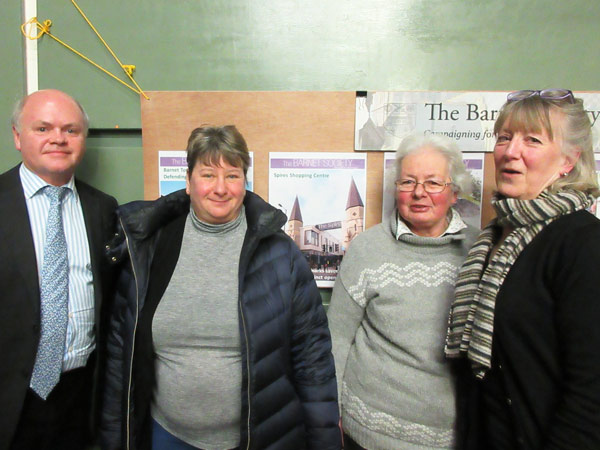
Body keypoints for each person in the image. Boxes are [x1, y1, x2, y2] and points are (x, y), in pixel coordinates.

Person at [100, 125, 341, 450]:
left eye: (233, 175)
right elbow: (120, 353)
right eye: (208, 174)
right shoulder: (149, 246)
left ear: (245, 182)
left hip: (259, 437)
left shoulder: (279, 253)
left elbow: (312, 355)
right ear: (188, 181)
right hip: (164, 435)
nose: (220, 188)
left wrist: (325, 439)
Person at [446, 89, 600, 450]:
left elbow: (592, 393)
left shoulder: (582, 243)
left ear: (568, 161)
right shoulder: (494, 237)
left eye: (532, 139)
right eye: (504, 137)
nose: (511, 151)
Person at [327, 134, 479, 449]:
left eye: (433, 183)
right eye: (408, 182)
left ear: (454, 193)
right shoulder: (367, 248)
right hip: (368, 432)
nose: (419, 193)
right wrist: (333, 412)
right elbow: (337, 338)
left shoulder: (480, 249)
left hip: (456, 435)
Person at [0, 89, 118, 449]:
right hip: (10, 400)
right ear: (18, 137)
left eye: (71, 130)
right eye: (43, 128)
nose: (58, 139)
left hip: (81, 401)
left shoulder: (103, 209)